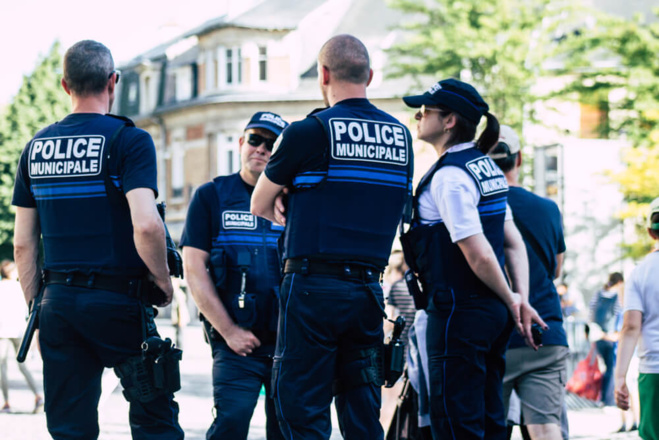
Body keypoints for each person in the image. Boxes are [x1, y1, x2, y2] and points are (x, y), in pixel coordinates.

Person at [12, 40, 183, 439]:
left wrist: (39, 306)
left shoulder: (35, 148)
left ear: (64, 85)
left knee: (70, 429)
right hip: (120, 304)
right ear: (113, 82)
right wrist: (161, 280)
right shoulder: (129, 140)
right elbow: (146, 224)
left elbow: (23, 244)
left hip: (59, 306)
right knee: (154, 419)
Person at [251, 34, 414, 439]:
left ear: (323, 75)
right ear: (370, 76)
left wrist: (292, 196)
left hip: (311, 288)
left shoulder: (309, 132)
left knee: (302, 408)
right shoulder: (400, 136)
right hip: (367, 292)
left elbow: (258, 203)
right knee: (362, 410)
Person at [400, 79, 545, 440]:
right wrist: (517, 297)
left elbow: (478, 254)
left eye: (426, 111)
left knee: (455, 421)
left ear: (449, 121)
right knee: (489, 417)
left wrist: (514, 299)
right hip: (490, 313)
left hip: (457, 312)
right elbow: (513, 243)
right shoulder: (487, 168)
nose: (418, 116)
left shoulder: (450, 176)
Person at [181, 111, 288, 440]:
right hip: (234, 344)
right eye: (255, 139)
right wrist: (228, 331)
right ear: (241, 143)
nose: (261, 148)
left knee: (287, 432)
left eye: (271, 144)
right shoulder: (211, 196)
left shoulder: (296, 201)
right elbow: (193, 268)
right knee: (231, 424)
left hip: (288, 345)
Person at [489, 126, 569, 440]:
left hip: (496, 334)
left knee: (491, 428)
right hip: (545, 332)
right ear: (518, 159)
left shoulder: (480, 207)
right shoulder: (549, 209)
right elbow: (556, 269)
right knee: (546, 427)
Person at [615, 197, 659, 440]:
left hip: (654, 370)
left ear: (651, 232)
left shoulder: (639, 273)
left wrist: (620, 377)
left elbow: (630, 327)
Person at [0, 260, 43, 413]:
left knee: (2, 367)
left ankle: (6, 402)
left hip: (2, 331)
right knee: (23, 365)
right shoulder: (20, 287)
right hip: (19, 330)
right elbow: (28, 310)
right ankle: (38, 395)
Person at [589, 272, 624, 407]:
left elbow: (591, 312)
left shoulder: (598, 294)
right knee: (611, 367)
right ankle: (608, 399)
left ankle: (602, 398)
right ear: (619, 282)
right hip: (611, 336)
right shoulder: (617, 297)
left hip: (597, 334)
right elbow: (618, 315)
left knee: (603, 367)